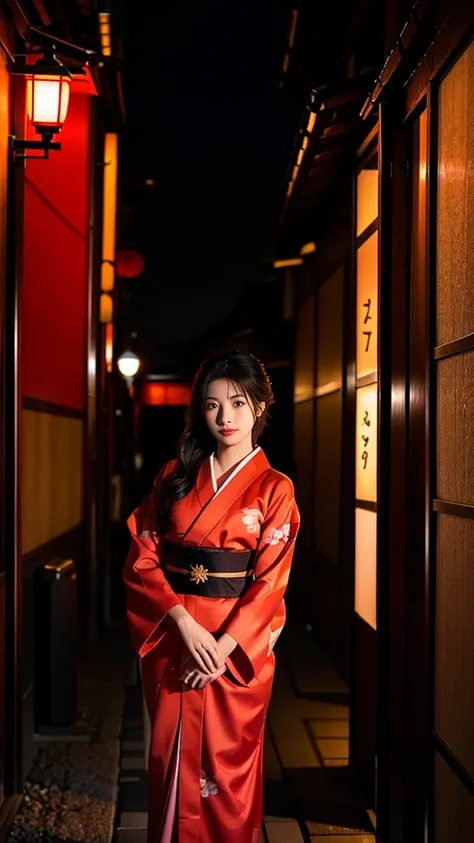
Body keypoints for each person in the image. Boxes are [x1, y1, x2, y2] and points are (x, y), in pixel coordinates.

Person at [123, 350, 300, 843]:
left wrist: (220, 651)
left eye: (239, 403)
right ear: (199, 410)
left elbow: (269, 582)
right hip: (176, 637)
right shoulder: (174, 476)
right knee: (169, 762)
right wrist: (181, 623)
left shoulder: (274, 489)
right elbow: (143, 553)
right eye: (213, 405)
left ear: (261, 406)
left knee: (226, 771)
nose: (225, 418)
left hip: (230, 650)